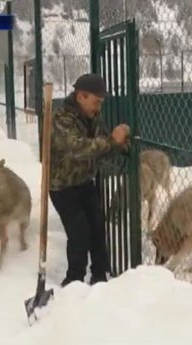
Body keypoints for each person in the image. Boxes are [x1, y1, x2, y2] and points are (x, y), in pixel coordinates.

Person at [49, 73, 130, 287]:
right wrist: (111, 141)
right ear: (81, 96)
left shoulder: (93, 118)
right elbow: (79, 149)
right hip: (63, 186)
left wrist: (120, 145)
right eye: (96, 102)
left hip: (85, 182)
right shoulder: (61, 119)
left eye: (101, 103)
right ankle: (74, 279)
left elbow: (102, 147)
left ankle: (100, 276)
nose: (99, 107)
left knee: (97, 228)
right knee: (79, 233)